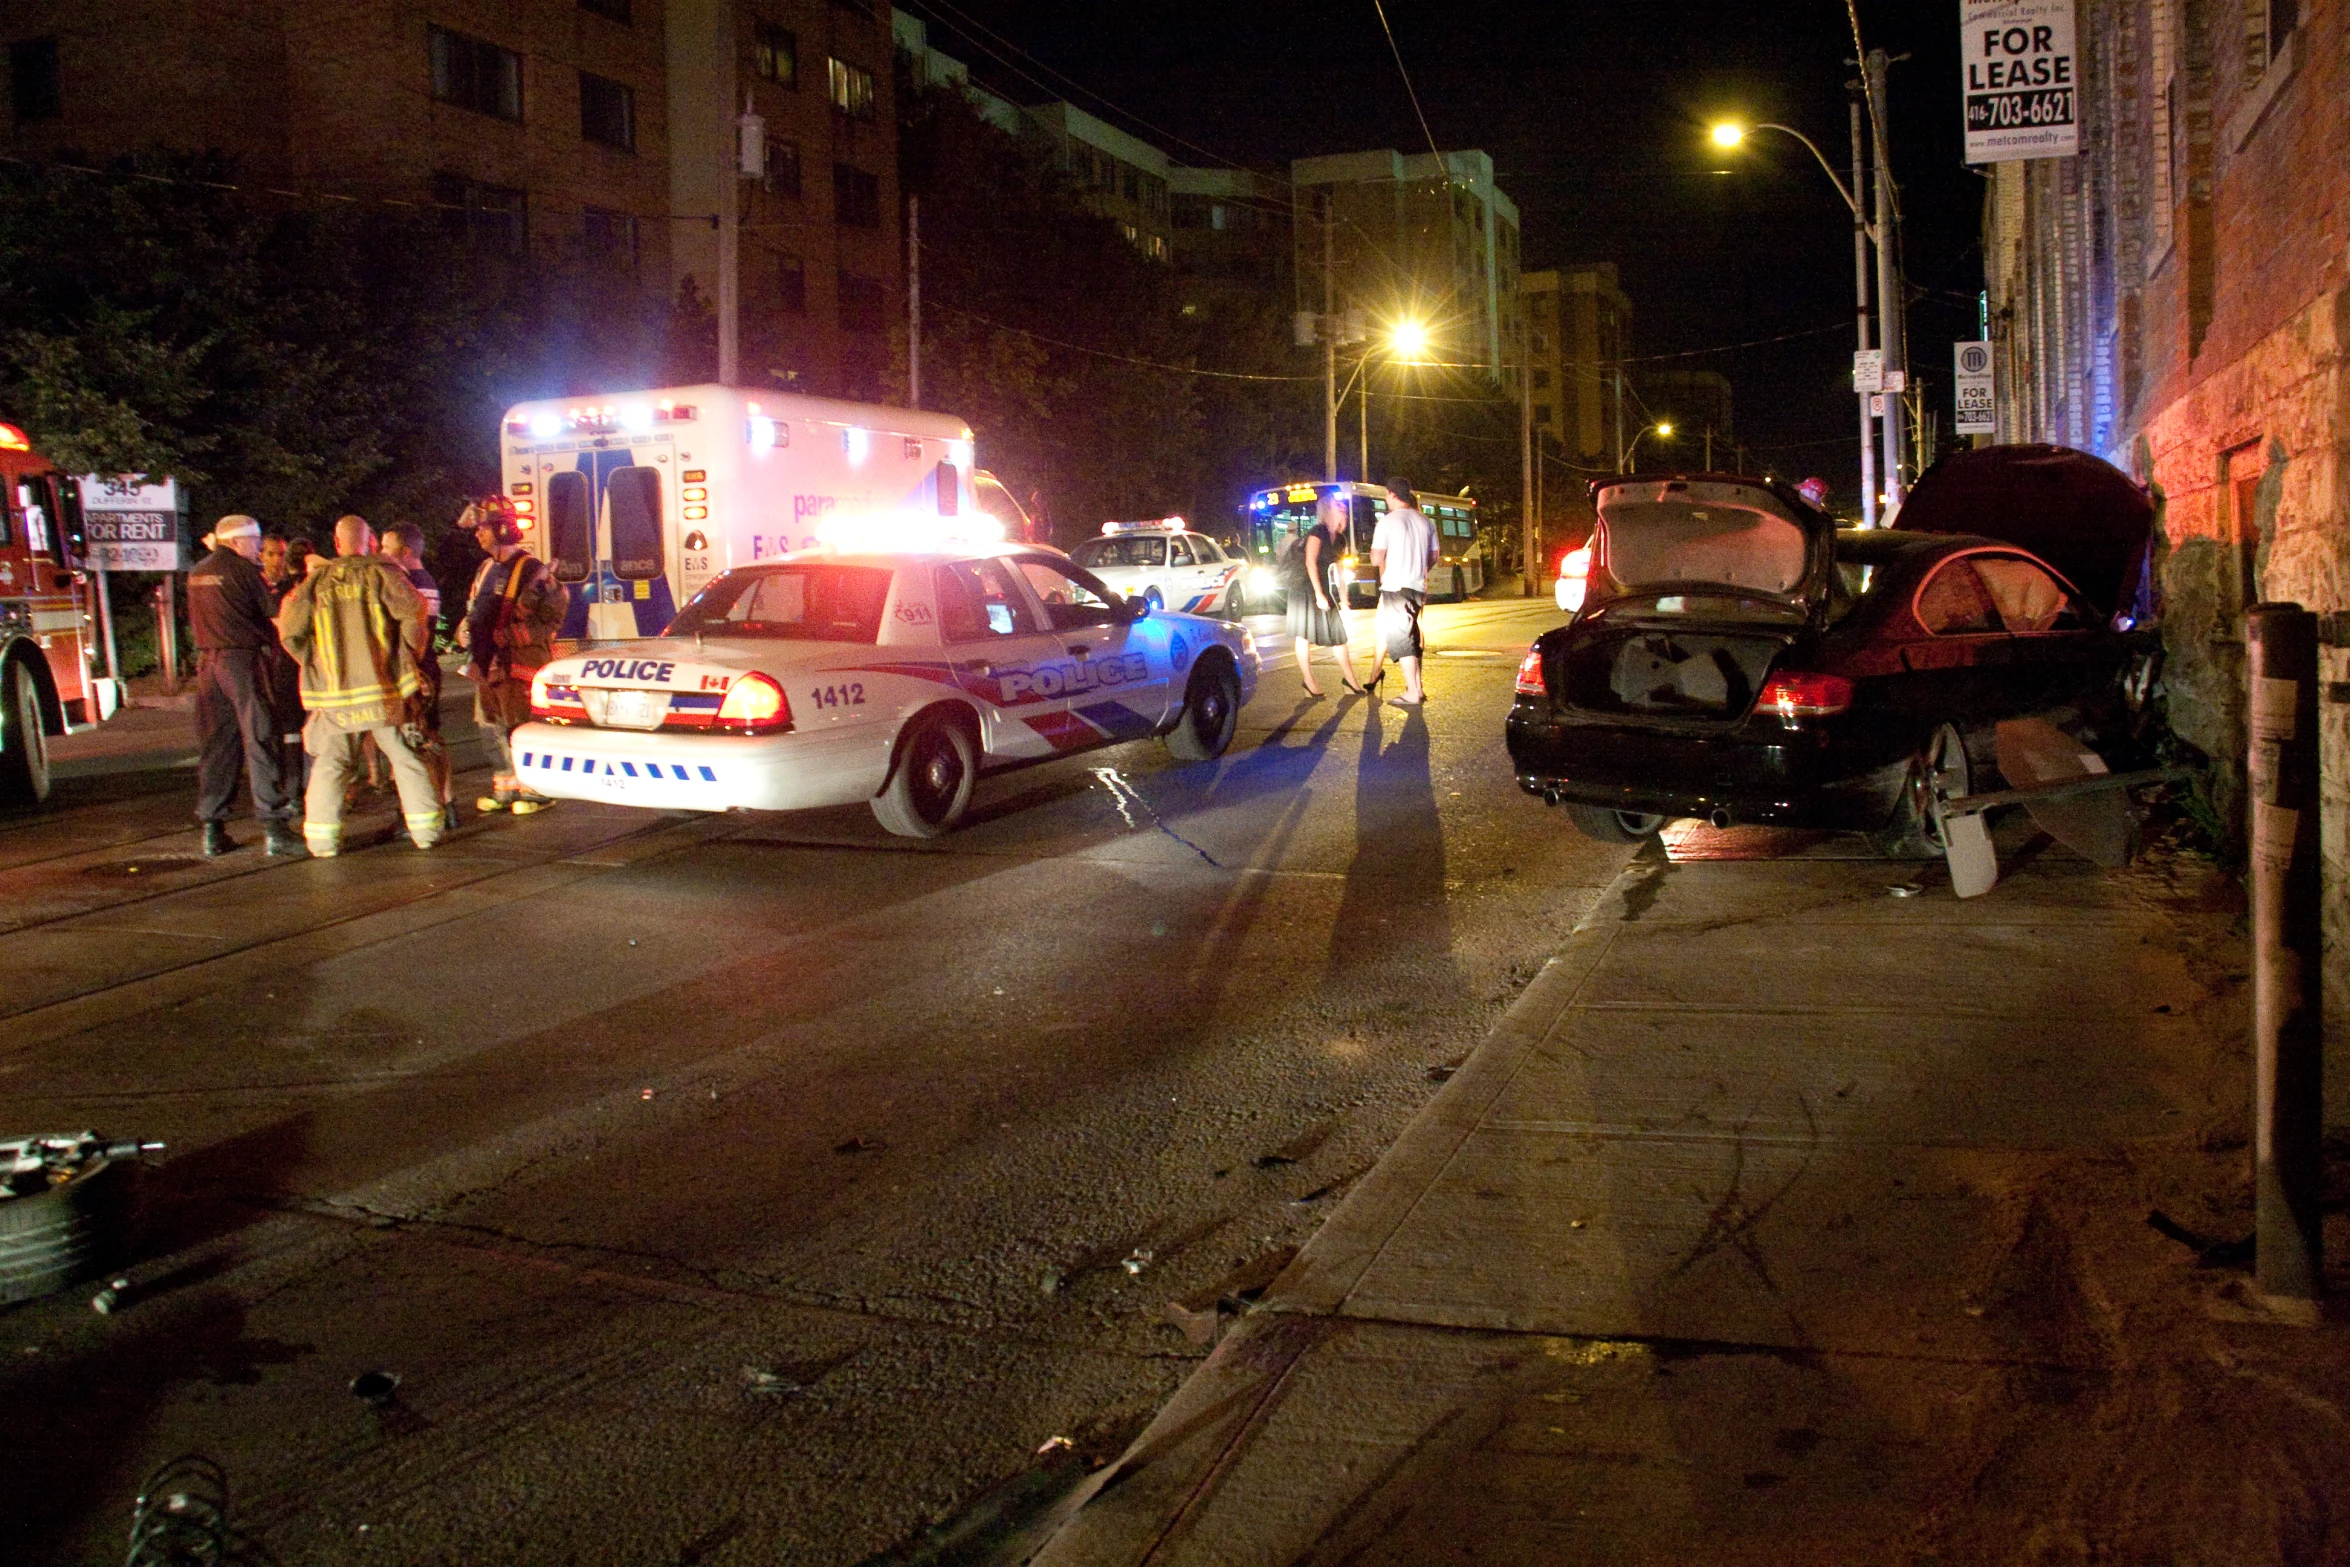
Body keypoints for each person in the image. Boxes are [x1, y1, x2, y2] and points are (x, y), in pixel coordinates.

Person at [276, 514, 443, 856]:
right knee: (405, 756)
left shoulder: (315, 582)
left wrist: (315, 663)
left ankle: (322, 841)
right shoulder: (384, 575)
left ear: (336, 545)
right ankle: (426, 832)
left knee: (332, 763)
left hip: (335, 696)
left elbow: (291, 631)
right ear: (369, 543)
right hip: (384, 691)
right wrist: (409, 655)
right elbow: (415, 613)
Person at [186, 514, 301, 856]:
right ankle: (275, 829)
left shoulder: (197, 572)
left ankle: (212, 828)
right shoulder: (246, 572)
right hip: (243, 663)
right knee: (260, 737)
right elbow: (277, 616)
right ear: (238, 541)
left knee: (218, 745)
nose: (258, 547)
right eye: (255, 541)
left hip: (208, 665)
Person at [456, 496, 567, 814]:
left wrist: (515, 635)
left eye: (483, 528)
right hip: (487, 664)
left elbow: (553, 615)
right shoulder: (485, 568)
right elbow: (476, 608)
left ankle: (535, 790)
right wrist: (465, 629)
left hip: (518, 663)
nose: (478, 535)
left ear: (502, 529)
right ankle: (505, 789)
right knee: (490, 726)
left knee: (521, 726)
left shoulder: (532, 570)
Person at [376, 524, 453, 823]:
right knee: (429, 737)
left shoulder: (411, 586)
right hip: (426, 670)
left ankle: (423, 807)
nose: (382, 554)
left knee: (415, 741)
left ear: (406, 553)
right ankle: (447, 805)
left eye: (387, 548)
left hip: (417, 673)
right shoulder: (425, 581)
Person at [1365, 476, 1440, 709]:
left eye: (1387, 495)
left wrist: (1381, 555)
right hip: (1417, 587)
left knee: (1401, 638)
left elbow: (1377, 558)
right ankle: (1417, 687)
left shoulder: (1387, 522)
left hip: (1395, 587)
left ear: (1391, 494)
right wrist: (1419, 567)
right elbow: (1434, 555)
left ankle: (1412, 692)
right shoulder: (1425, 521)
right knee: (1413, 636)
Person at [1284, 489, 1364, 699]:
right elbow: (1309, 561)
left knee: (1338, 634)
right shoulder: (1317, 532)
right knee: (1303, 634)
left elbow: (1339, 569)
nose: (1343, 510)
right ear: (1329, 510)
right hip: (1303, 587)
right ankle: (1309, 681)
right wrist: (1319, 594)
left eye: (1344, 508)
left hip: (1321, 587)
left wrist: (1344, 598)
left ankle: (1350, 680)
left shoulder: (1340, 539)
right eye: (1339, 507)